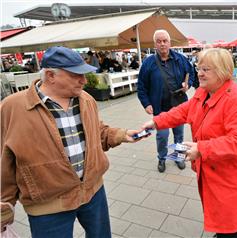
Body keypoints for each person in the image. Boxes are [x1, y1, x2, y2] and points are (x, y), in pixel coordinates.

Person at [1, 46, 142, 237]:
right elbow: (5, 158)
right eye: (76, 75)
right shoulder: (12, 108)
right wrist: (5, 203)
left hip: (93, 192)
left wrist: (120, 135)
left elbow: (96, 131)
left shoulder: (86, 99)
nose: (84, 80)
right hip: (48, 205)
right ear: (51, 75)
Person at [142, 48, 237, 237]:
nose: (199, 73)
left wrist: (202, 148)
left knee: (230, 221)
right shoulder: (204, 91)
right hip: (216, 169)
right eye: (199, 68)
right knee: (221, 217)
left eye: (206, 69)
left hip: (232, 174)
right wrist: (156, 121)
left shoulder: (236, 100)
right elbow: (183, 110)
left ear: (222, 71)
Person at [137, 29, 194, 173]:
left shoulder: (180, 59)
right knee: (162, 136)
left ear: (170, 42)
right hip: (159, 107)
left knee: (179, 135)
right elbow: (141, 85)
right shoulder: (148, 63)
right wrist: (146, 103)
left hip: (178, 106)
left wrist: (187, 84)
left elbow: (191, 73)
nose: (162, 44)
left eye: (165, 41)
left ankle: (178, 157)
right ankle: (162, 159)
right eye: (159, 41)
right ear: (155, 44)